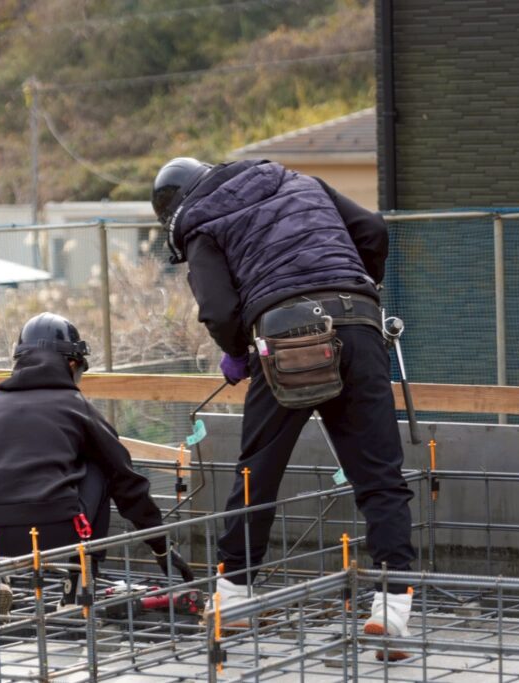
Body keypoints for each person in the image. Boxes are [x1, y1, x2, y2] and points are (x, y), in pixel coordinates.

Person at [152, 157, 416, 636]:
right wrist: (359, 285)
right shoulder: (296, 180)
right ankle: (392, 608)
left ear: (174, 215)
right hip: (359, 323)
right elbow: (373, 229)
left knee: (258, 473)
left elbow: (218, 309)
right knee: (379, 472)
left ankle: (234, 596)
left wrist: (239, 352)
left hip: (285, 338)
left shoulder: (200, 222)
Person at [0, 312, 193, 613]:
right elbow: (127, 483)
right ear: (72, 364)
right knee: (102, 467)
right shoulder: (78, 408)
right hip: (51, 531)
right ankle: (77, 587)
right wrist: (161, 546)